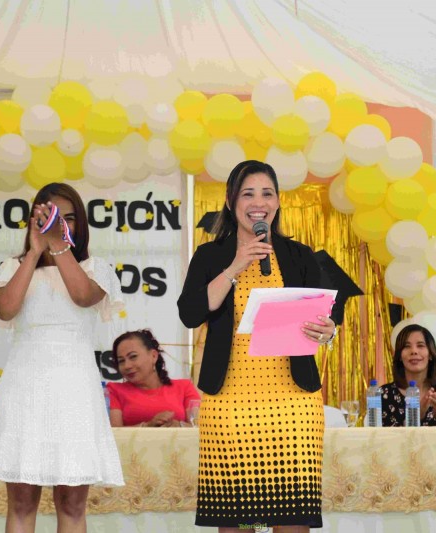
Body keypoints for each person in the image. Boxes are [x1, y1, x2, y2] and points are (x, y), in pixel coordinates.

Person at [178, 160, 335, 532]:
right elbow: (190, 314)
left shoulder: (299, 255)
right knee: (234, 521)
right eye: (248, 194)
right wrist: (234, 267)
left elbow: (322, 318)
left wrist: (327, 331)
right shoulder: (210, 256)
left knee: (293, 519)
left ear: (278, 202)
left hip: (293, 404)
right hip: (229, 403)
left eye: (267, 193)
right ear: (231, 201)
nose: (258, 202)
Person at [0, 182, 124, 533]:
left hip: (75, 390)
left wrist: (58, 245)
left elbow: (83, 296)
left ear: (80, 223)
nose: (60, 225)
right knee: (22, 503)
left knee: (72, 504)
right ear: (34, 220)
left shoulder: (95, 267)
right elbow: (7, 309)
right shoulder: (12, 265)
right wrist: (34, 251)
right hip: (25, 388)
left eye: (67, 218)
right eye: (51, 217)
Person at [107, 328, 200, 428]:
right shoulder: (114, 390)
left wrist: (178, 425)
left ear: (153, 356)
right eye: (121, 361)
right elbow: (113, 432)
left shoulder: (184, 387)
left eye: (133, 356)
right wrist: (148, 426)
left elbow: (199, 427)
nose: (127, 366)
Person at [379, 324, 436, 427]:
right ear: (399, 356)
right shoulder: (383, 395)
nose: (414, 351)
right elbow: (378, 436)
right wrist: (416, 416)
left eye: (420, 345)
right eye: (407, 346)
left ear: (430, 354)